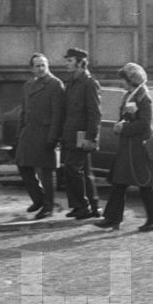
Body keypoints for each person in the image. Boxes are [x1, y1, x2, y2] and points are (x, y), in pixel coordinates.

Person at [94, 63, 153, 233]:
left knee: (145, 183)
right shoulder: (129, 96)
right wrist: (121, 125)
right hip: (128, 148)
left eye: (124, 79)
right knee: (119, 182)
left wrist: (123, 128)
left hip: (140, 148)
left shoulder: (144, 98)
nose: (122, 82)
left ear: (132, 81)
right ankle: (113, 218)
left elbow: (145, 124)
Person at [14, 53, 65, 219]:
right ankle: (38, 199)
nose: (41, 69)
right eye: (38, 66)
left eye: (44, 65)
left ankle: (48, 207)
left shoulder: (55, 84)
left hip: (45, 133)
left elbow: (58, 114)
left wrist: (54, 137)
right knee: (23, 165)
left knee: (46, 171)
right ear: (32, 69)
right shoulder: (28, 85)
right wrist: (20, 132)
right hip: (28, 133)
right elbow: (24, 110)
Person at [60, 47, 102, 220]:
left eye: (70, 61)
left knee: (72, 168)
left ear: (80, 63)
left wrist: (91, 138)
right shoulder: (71, 83)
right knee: (84, 171)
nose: (67, 64)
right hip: (71, 135)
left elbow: (95, 113)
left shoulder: (89, 83)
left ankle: (82, 206)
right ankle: (93, 207)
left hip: (82, 136)